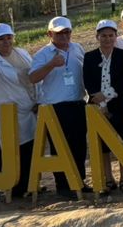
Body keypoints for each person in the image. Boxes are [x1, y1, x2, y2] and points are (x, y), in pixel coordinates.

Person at [29, 16, 88, 198]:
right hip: (55, 107)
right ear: (50, 34)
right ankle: (63, 186)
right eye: (59, 33)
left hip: (77, 104)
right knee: (59, 147)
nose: (64, 36)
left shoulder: (77, 48)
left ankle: (79, 182)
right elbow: (33, 78)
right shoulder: (43, 54)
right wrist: (51, 65)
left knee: (79, 145)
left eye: (67, 32)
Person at [0, 23, 37, 197]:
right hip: (9, 112)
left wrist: (37, 99)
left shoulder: (22, 53)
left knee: (31, 147)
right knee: (15, 150)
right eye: (1, 39)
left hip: (28, 107)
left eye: (8, 38)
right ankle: (18, 188)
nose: (6, 42)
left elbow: (33, 76)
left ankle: (31, 185)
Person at [84, 19, 123, 190]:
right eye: (104, 36)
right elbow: (88, 81)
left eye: (111, 35)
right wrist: (101, 102)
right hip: (98, 106)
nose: (107, 39)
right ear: (97, 37)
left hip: (120, 104)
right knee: (103, 144)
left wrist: (106, 95)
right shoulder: (89, 57)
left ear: (115, 36)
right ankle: (108, 178)